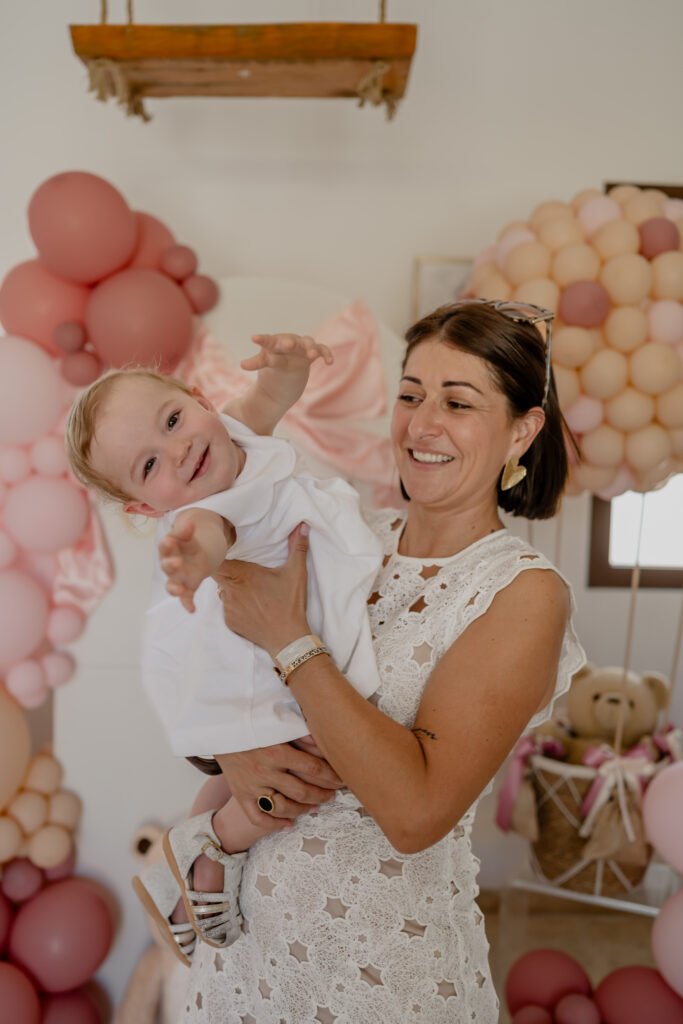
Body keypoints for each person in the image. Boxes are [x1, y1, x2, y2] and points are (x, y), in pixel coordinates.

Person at [180, 299, 586, 1023]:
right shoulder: (348, 534)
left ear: (521, 431)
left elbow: (414, 813)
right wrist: (235, 758)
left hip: (378, 975)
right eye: (410, 396)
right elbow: (222, 648)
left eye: (457, 403)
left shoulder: (522, 594)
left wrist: (289, 639)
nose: (422, 425)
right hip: (246, 958)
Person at [64, 335, 383, 965]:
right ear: (144, 505)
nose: (178, 450)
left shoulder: (234, 434)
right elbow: (214, 532)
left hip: (267, 643)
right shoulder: (204, 510)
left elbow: (270, 396)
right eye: (149, 465)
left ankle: (184, 852)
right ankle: (219, 848)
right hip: (252, 660)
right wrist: (195, 560)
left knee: (257, 759)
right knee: (310, 759)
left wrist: (289, 366)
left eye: (173, 420)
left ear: (200, 399)